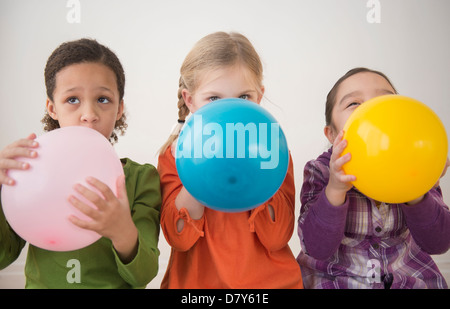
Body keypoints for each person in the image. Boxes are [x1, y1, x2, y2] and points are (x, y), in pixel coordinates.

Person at [0, 38, 161, 288]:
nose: (89, 115)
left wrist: (122, 231)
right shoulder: (28, 174)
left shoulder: (142, 178)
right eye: (73, 99)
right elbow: (3, 257)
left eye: (103, 99)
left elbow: (144, 274)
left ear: (119, 109)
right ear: (52, 108)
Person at [158, 31, 302, 289]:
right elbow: (179, 238)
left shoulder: (275, 153)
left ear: (258, 98)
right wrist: (194, 166)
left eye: (244, 97)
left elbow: (277, 237)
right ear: (190, 101)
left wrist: (259, 167)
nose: (230, 111)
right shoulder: (173, 155)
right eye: (214, 98)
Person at [297, 67, 450, 289]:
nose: (371, 110)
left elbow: (438, 243)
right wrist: (335, 189)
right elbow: (316, 248)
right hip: (336, 278)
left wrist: (417, 190)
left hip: (405, 275)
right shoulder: (320, 170)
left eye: (384, 101)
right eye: (354, 104)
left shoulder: (417, 166)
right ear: (331, 134)